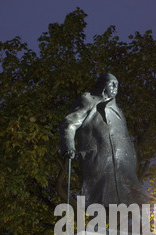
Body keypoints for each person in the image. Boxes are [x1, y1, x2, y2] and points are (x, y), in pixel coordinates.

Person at [59, 73, 149, 208]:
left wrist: (131, 157)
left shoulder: (118, 110)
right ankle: (99, 222)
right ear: (102, 85)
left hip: (123, 163)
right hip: (98, 158)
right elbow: (69, 123)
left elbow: (125, 136)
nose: (115, 87)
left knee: (131, 198)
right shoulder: (88, 100)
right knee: (99, 197)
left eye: (117, 84)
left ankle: (128, 223)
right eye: (111, 83)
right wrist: (69, 146)